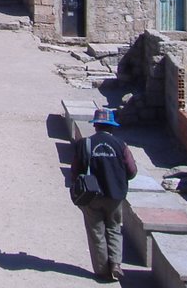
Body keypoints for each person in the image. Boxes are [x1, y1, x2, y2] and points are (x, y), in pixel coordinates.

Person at [71, 107, 138, 282]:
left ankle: (102, 270)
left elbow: (75, 172)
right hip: (115, 195)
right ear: (112, 127)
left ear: (95, 126)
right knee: (114, 228)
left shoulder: (85, 144)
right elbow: (132, 171)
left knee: (96, 231)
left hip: (92, 196)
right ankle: (116, 264)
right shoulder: (121, 145)